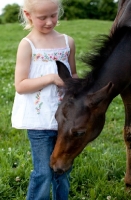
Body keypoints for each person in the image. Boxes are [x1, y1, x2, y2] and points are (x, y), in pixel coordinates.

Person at [11, 0, 78, 199]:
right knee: (43, 172)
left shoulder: (68, 42)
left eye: (53, 15)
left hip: (65, 121)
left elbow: (73, 74)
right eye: (42, 17)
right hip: (39, 121)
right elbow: (21, 85)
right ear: (28, 15)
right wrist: (50, 78)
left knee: (63, 170)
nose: (49, 22)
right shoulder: (27, 45)